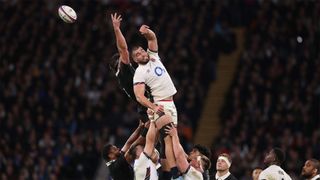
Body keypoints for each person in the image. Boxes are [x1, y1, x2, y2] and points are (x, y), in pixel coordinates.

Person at [109, 13, 152, 123]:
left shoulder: (121, 76)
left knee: (146, 135)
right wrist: (117, 29)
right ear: (118, 63)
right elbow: (123, 49)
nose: (126, 57)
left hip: (142, 107)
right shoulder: (123, 69)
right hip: (147, 105)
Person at [132, 24, 177, 124]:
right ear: (135, 60)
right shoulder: (139, 72)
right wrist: (154, 107)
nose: (143, 54)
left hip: (170, 103)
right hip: (161, 104)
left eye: (142, 51)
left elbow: (152, 39)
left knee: (165, 137)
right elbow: (139, 96)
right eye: (138, 54)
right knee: (171, 137)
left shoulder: (153, 56)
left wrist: (147, 32)